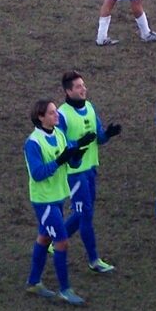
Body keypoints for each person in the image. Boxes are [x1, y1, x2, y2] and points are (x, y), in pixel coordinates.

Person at [23, 99, 95, 305]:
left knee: (44, 238)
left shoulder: (59, 134)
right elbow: (37, 174)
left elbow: (72, 162)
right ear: (41, 117)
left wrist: (79, 149)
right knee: (61, 241)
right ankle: (65, 289)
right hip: (44, 201)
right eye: (53, 113)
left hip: (57, 197)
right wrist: (60, 160)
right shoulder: (33, 143)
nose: (57, 115)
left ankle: (33, 282)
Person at [57, 71, 122, 273]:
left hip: (91, 169)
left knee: (84, 211)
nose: (83, 89)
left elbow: (99, 138)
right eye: (78, 86)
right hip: (74, 172)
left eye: (83, 85)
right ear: (68, 91)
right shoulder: (62, 115)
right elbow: (60, 145)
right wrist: (78, 144)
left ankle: (56, 238)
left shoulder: (90, 107)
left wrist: (108, 134)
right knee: (85, 215)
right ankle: (94, 260)